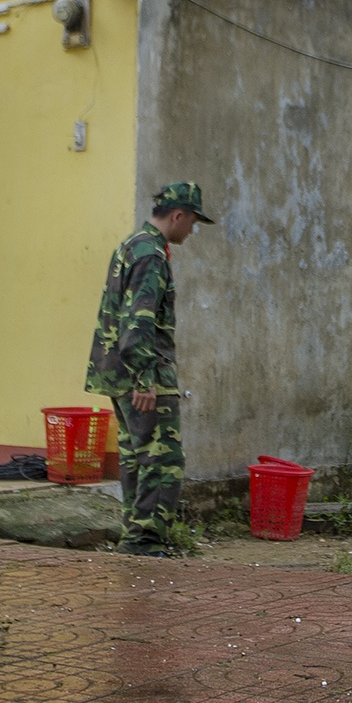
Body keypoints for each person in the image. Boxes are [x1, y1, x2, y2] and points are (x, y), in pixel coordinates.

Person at [88, 182, 211, 556]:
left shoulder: (131, 245)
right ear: (178, 215)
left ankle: (135, 536)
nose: (192, 230)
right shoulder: (152, 254)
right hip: (142, 373)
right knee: (163, 458)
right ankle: (145, 541)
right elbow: (138, 320)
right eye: (192, 221)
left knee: (136, 457)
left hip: (115, 372)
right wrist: (146, 377)